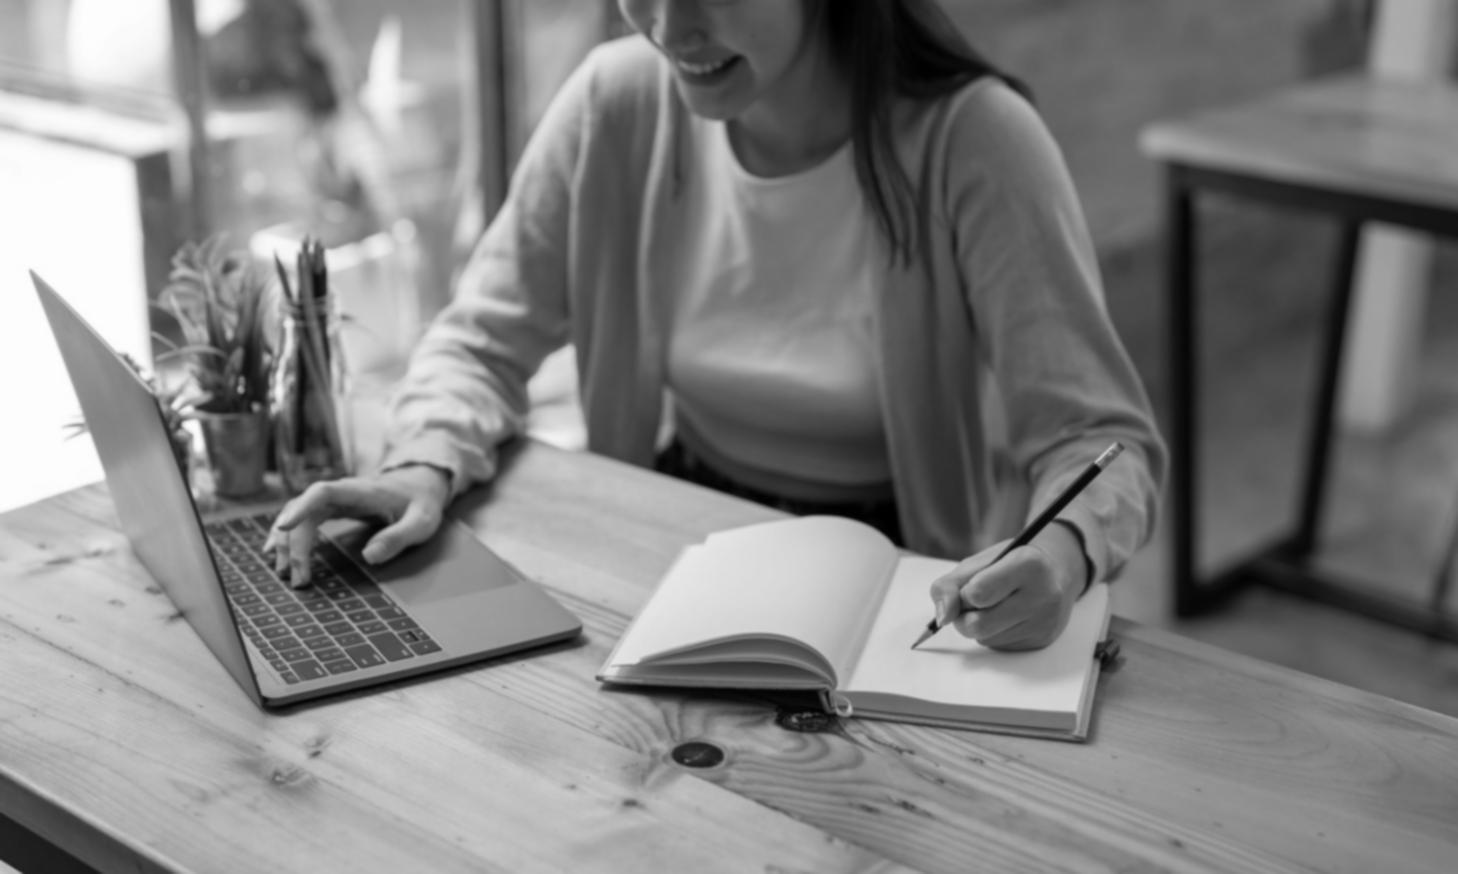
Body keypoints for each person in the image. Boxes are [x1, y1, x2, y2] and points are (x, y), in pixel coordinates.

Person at [265, 0, 1166, 652]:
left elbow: (1102, 439)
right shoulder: (617, 102)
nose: (667, 27)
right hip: (674, 535)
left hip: (901, 577)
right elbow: (479, 341)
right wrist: (422, 462)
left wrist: (1063, 547)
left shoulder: (975, 140)